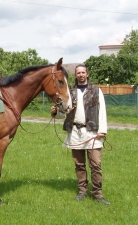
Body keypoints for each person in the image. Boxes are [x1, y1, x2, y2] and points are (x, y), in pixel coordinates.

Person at [51, 64, 110, 205]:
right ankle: (82, 191)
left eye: (83, 72)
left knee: (96, 163)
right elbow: (63, 113)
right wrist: (55, 112)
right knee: (79, 164)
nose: (81, 75)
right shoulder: (70, 92)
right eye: (78, 73)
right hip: (76, 132)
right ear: (76, 75)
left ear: (87, 74)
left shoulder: (96, 91)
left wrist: (102, 130)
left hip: (92, 132)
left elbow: (102, 111)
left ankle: (97, 194)